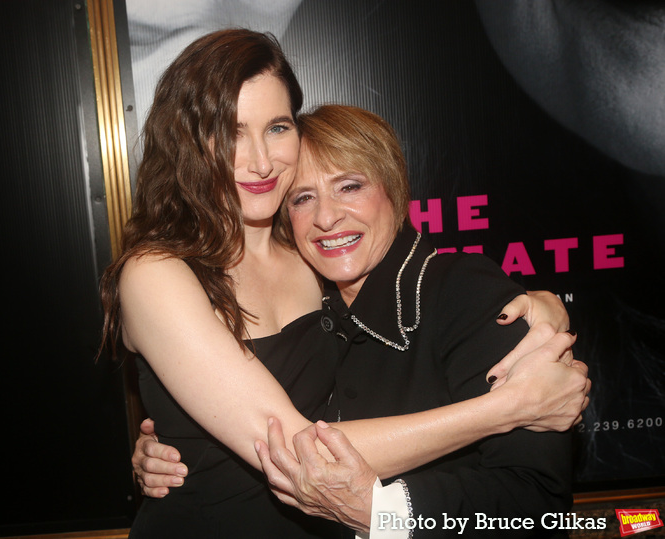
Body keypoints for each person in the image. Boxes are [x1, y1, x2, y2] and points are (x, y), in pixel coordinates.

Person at [103, 30, 588, 538]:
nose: (261, 160)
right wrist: (508, 408)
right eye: (230, 130)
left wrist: (538, 302)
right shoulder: (156, 272)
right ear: (186, 140)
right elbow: (294, 453)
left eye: (276, 127)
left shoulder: (315, 259)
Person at [249, 105, 585, 537]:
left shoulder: (466, 293)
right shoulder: (305, 312)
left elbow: (537, 504)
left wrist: (383, 513)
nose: (326, 217)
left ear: (393, 189)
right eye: (302, 197)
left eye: (349, 186)